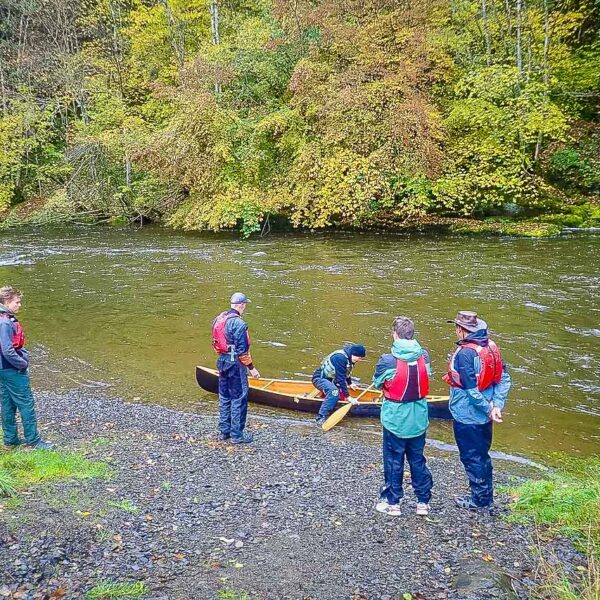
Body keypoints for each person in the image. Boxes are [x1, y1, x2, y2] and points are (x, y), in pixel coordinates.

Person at [443, 310, 511, 509]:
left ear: (462, 331)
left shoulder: (465, 354)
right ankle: (485, 496)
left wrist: (489, 408)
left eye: (456, 327)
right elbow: (504, 379)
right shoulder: (491, 347)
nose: (456, 331)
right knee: (482, 455)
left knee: (471, 456)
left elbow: (471, 391)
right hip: (485, 416)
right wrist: (497, 405)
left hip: (468, 416)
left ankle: (479, 500)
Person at [372, 316, 433, 517]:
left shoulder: (387, 360)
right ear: (412, 334)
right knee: (417, 459)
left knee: (393, 460)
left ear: (395, 335)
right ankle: (423, 502)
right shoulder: (425, 356)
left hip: (395, 419)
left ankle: (393, 503)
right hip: (418, 418)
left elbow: (378, 382)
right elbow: (427, 375)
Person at [0, 286, 54, 450]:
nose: (20, 305)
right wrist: (22, 363)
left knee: (7, 404)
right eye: (17, 302)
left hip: (2, 370)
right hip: (12, 370)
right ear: (7, 302)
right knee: (26, 404)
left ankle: (10, 440)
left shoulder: (3, 319)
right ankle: (34, 441)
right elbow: (7, 350)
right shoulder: (5, 322)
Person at [211, 292, 260, 444]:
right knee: (238, 398)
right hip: (236, 365)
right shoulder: (239, 324)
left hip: (222, 362)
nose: (245, 308)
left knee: (224, 398)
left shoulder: (219, 319)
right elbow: (243, 351)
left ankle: (224, 432)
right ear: (241, 305)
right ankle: (237, 435)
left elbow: (216, 344)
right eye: (245, 305)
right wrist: (252, 368)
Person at [312, 343, 366, 426]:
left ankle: (325, 398)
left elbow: (346, 372)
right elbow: (341, 379)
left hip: (331, 380)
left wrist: (350, 383)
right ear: (353, 354)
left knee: (339, 395)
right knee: (334, 392)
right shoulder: (340, 358)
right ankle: (321, 416)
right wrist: (349, 397)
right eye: (359, 358)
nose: (360, 360)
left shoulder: (350, 357)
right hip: (319, 379)